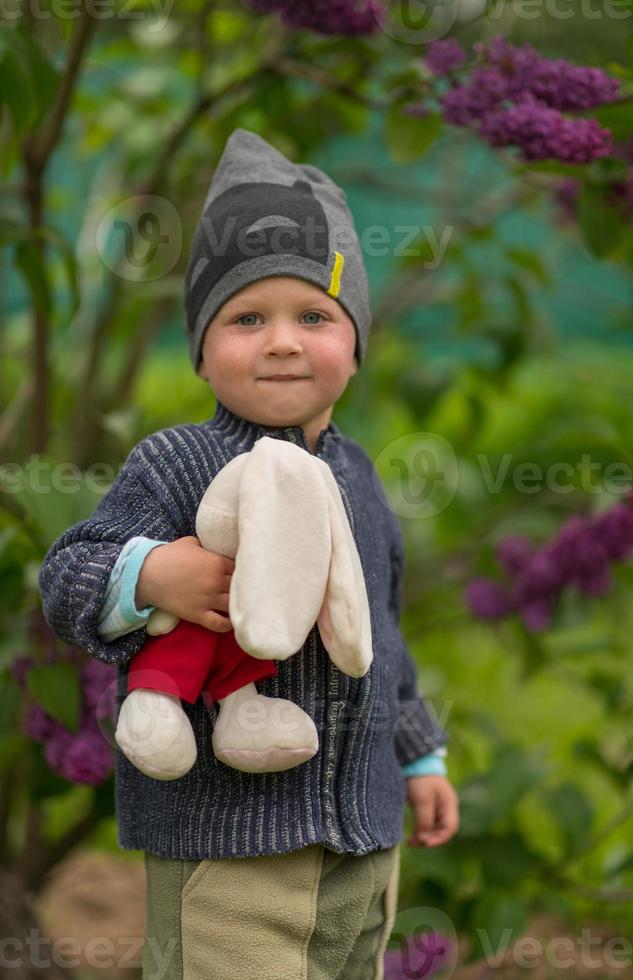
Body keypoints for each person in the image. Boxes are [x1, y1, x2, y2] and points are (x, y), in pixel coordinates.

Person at [39, 128, 459, 980]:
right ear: (201, 349)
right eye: (246, 318)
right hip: (225, 853)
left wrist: (419, 753)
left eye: (314, 316)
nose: (281, 342)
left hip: (364, 851)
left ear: (355, 342)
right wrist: (154, 574)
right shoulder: (177, 464)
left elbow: (382, 636)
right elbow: (68, 574)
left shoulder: (362, 479)